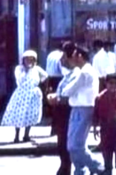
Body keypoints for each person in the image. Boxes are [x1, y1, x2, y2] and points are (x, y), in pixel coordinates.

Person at [61, 46, 104, 175]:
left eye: (73, 56)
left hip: (83, 110)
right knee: (74, 145)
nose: (71, 59)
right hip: (77, 109)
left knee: (75, 146)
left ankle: (97, 166)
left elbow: (68, 90)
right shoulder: (82, 71)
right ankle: (80, 170)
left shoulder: (85, 73)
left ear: (80, 57)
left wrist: (65, 92)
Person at [1, 50, 48, 143]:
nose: (29, 62)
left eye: (31, 59)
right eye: (27, 59)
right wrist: (26, 70)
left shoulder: (37, 69)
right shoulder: (19, 69)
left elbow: (45, 76)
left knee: (31, 115)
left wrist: (42, 86)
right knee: (19, 114)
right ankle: (17, 136)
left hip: (33, 94)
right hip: (22, 94)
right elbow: (19, 79)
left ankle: (26, 135)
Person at [46, 42, 77, 175]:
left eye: (63, 56)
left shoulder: (76, 74)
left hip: (67, 112)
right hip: (61, 112)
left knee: (65, 146)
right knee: (62, 146)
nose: (60, 59)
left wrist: (57, 98)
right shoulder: (67, 75)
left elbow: (70, 95)